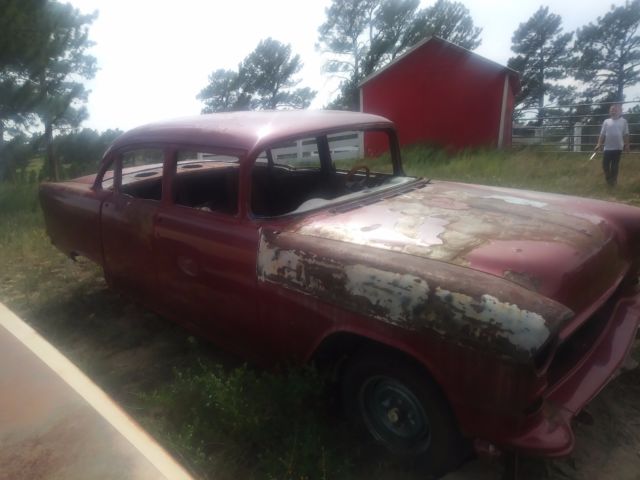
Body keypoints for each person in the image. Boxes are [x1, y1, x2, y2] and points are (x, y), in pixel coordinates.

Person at [594, 104, 630, 186]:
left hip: (618, 147)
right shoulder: (606, 121)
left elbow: (626, 134)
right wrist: (599, 144)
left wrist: (627, 145)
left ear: (620, 112)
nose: (613, 111)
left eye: (615, 110)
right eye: (611, 110)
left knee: (614, 165)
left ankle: (613, 182)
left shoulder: (623, 121)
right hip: (607, 147)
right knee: (605, 165)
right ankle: (609, 179)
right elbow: (602, 134)